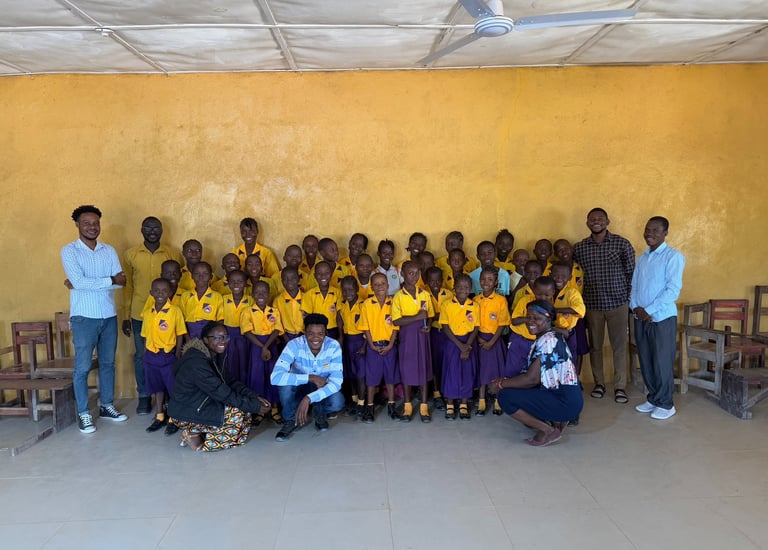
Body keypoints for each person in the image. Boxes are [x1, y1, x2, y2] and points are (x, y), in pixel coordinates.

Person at [61, 205, 128, 433]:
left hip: (108, 315)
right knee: (82, 367)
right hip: (84, 317)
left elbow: (121, 282)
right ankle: (84, 413)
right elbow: (81, 282)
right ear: (77, 225)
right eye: (86, 223)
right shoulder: (69, 251)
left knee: (108, 363)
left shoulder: (109, 250)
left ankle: (107, 405)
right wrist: (108, 280)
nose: (92, 227)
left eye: (95, 223)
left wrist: (86, 283)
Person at [489, 300, 584, 447]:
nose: (530, 322)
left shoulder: (548, 341)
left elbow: (531, 379)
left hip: (565, 402)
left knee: (505, 397)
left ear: (549, 320)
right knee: (515, 387)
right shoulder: (549, 336)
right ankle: (556, 420)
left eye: (537, 318)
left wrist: (500, 384)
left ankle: (548, 430)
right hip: (566, 398)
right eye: (528, 317)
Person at [167, 321, 271, 452]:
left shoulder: (214, 355)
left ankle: (198, 432)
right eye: (217, 338)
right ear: (205, 339)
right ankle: (200, 440)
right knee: (237, 413)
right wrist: (254, 406)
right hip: (185, 411)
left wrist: (254, 397)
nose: (223, 341)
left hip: (201, 403)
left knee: (244, 411)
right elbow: (220, 392)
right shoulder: (196, 362)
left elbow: (230, 382)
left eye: (226, 337)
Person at [573, 207, 636, 404]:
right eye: (592, 219)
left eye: (600, 218)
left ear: (607, 222)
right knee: (596, 347)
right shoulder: (580, 248)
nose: (596, 221)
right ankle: (599, 383)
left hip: (618, 304)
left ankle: (619, 386)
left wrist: (628, 299)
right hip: (592, 305)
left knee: (619, 347)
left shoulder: (622, 244)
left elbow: (632, 274)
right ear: (587, 223)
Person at [122, 216, 183, 415]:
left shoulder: (172, 253)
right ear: (141, 229)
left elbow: (180, 279)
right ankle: (144, 396)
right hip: (142, 314)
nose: (152, 231)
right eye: (148, 227)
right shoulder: (130, 254)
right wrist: (126, 315)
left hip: (170, 314)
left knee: (169, 356)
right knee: (143, 356)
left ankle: (168, 398)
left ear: (162, 230)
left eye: (156, 227)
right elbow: (127, 287)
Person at [630, 216, 685, 420]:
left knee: (661, 362)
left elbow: (673, 290)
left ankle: (666, 404)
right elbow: (634, 286)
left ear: (665, 233)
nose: (649, 234)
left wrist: (649, 310)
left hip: (661, 318)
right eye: (647, 229)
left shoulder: (673, 256)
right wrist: (635, 307)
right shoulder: (642, 258)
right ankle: (653, 398)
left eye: (655, 230)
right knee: (646, 360)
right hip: (641, 317)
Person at [270, 314, 345, 441]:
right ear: (304, 332)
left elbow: (337, 382)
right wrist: (310, 377)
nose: (315, 338)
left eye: (320, 334)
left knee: (337, 402)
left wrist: (309, 398)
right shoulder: (293, 345)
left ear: (325, 333)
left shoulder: (333, 346)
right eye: (311, 333)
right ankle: (290, 420)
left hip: (320, 388)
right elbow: (275, 377)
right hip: (299, 388)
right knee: (285, 386)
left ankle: (318, 411)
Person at [142, 278, 187, 434]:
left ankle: (174, 418)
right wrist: (145, 353)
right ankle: (160, 416)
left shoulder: (175, 311)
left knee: (172, 388)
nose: (160, 294)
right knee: (157, 387)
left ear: (170, 293)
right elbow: (145, 335)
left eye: (164, 291)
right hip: (151, 356)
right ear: (151, 293)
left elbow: (180, 333)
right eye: (157, 291)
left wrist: (178, 352)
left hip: (168, 355)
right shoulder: (148, 313)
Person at [392, 260, 434, 422]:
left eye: (417, 273)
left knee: (423, 368)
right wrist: (417, 317)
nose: (414, 276)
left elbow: (430, 316)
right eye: (410, 273)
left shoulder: (424, 294)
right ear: (402, 274)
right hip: (407, 338)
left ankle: (424, 406)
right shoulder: (398, 296)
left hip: (422, 336)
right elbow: (396, 320)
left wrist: (428, 325)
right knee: (407, 370)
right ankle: (408, 405)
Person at [241, 280, 284, 426]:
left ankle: (275, 409)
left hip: (271, 345)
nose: (261, 295)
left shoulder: (274, 311)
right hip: (256, 346)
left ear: (269, 294)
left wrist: (266, 347)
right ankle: (260, 410)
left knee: (273, 376)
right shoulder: (247, 311)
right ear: (252, 294)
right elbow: (247, 332)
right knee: (257, 377)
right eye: (257, 292)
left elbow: (277, 330)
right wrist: (263, 347)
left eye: (264, 292)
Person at [359, 273, 399, 423]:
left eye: (383, 283)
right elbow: (365, 327)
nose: (380, 286)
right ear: (372, 287)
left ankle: (392, 406)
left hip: (389, 346)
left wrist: (390, 345)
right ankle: (370, 408)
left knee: (390, 377)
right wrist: (371, 345)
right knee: (371, 378)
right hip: (373, 346)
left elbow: (395, 327)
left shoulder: (393, 303)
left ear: (388, 285)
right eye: (376, 284)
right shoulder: (367, 304)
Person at [439, 274, 479, 420]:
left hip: (469, 342)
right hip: (453, 342)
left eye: (467, 287)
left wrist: (467, 346)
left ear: (471, 288)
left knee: (467, 373)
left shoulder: (474, 306)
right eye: (460, 287)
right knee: (451, 371)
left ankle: (463, 403)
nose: (463, 290)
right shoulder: (446, 305)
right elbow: (445, 327)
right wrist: (460, 346)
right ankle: (450, 403)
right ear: (454, 288)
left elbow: (476, 327)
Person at [473, 266, 511, 416]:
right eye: (483, 279)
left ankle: (497, 401)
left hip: (495, 340)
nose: (486, 282)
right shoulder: (475, 300)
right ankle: (481, 401)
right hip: (479, 339)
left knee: (497, 371)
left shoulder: (501, 300)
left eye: (490, 279)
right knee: (482, 370)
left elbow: (502, 324)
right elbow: (473, 324)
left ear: (496, 282)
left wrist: (491, 342)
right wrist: (479, 339)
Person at [337, 276, 366, 417]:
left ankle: (362, 402)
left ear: (357, 289)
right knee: (351, 374)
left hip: (360, 341)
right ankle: (354, 400)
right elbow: (340, 321)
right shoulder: (342, 306)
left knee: (360, 374)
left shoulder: (363, 305)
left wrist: (365, 345)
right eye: (344, 290)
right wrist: (341, 338)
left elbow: (369, 327)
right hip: (348, 342)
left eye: (350, 289)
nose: (347, 293)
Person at [425, 266, 453, 410]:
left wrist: (435, 316)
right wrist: (438, 316)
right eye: (432, 281)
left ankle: (447, 391)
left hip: (448, 334)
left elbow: (452, 314)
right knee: (434, 362)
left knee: (447, 362)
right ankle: (436, 393)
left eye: (438, 281)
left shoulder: (449, 294)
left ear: (442, 281)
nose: (435, 284)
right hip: (433, 333)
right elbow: (426, 316)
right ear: (427, 281)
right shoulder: (424, 295)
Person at [221, 269, 253, 384]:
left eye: (240, 281)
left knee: (244, 361)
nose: (236, 284)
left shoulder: (250, 300)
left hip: (244, 335)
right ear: (228, 283)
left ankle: (244, 386)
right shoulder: (223, 299)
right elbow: (220, 320)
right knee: (229, 361)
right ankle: (231, 386)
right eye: (233, 281)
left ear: (245, 283)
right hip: (228, 334)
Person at [179, 262, 224, 339]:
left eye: (205, 273)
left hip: (209, 334)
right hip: (189, 333)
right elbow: (181, 321)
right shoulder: (185, 296)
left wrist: (212, 338)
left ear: (211, 277)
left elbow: (220, 320)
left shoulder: (217, 297)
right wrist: (187, 338)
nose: (201, 277)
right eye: (197, 273)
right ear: (192, 276)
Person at [301, 261, 342, 339]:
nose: (323, 276)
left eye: (327, 273)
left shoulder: (338, 293)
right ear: (315, 276)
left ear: (331, 274)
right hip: (316, 332)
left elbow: (339, 316)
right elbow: (307, 317)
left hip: (333, 331)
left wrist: (341, 336)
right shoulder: (309, 295)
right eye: (319, 273)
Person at [275, 267, 304, 341]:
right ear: (281, 281)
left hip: (305, 335)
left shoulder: (307, 298)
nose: (289, 281)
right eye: (285, 279)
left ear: (298, 279)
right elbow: (277, 321)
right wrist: (285, 337)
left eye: (293, 278)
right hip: (286, 336)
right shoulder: (277, 301)